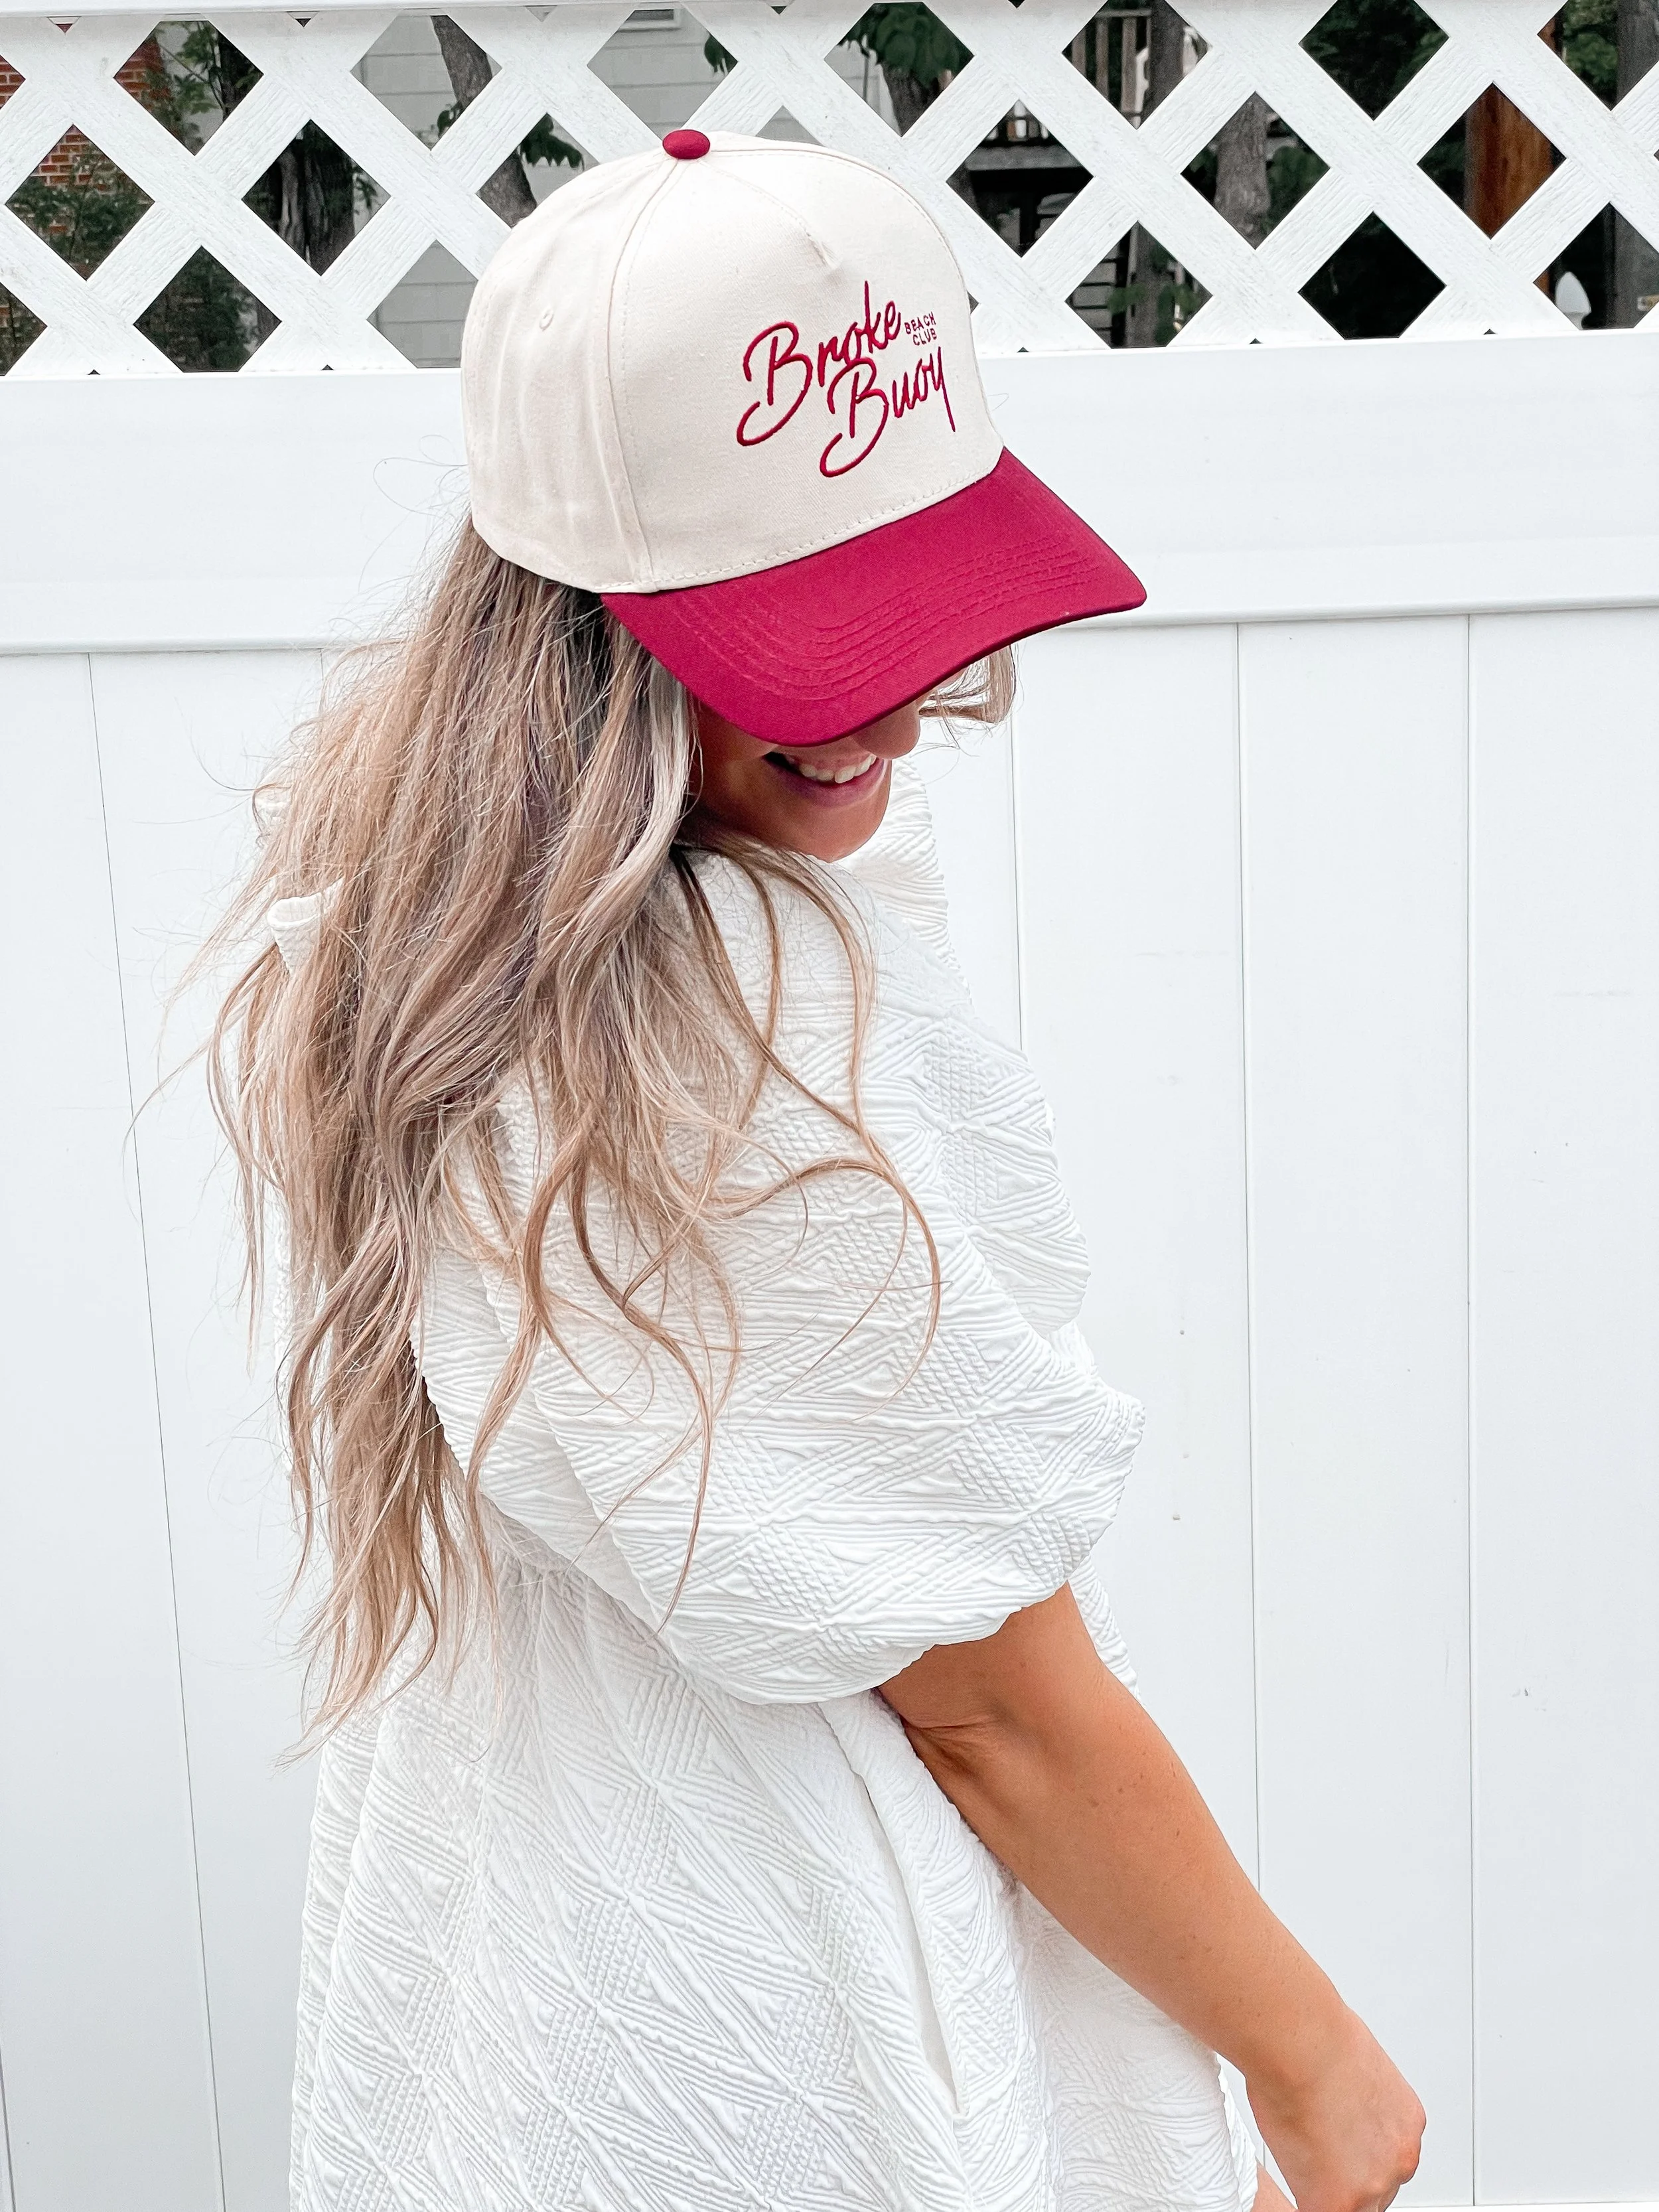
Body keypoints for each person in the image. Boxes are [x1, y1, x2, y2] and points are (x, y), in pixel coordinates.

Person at [214, 130, 1425, 2212]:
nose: (885, 700)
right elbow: (990, 1706)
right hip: (783, 2003)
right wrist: (1322, 2073)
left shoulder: (435, 932)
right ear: (579, 630)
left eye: (912, 600)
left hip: (558, 1964)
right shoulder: (708, 1037)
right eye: (797, 625)